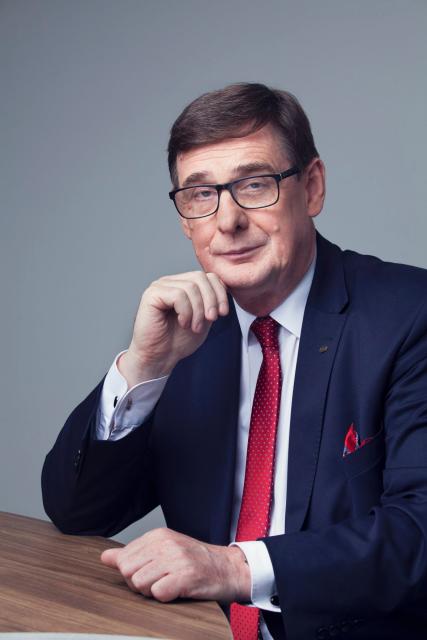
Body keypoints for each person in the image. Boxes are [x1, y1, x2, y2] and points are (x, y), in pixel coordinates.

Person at [42, 83, 427, 640]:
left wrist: (232, 568)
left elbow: (419, 529)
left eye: (254, 184)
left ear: (312, 187)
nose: (227, 221)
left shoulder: (410, 315)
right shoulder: (186, 333)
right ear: (185, 218)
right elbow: (79, 513)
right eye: (201, 194)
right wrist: (144, 367)